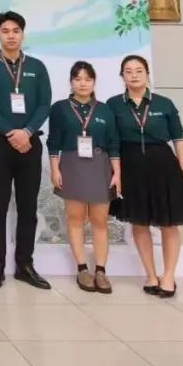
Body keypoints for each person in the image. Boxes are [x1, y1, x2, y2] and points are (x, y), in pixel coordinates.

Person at [108, 55, 183, 298]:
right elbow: (112, 142)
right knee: (139, 222)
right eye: (128, 71)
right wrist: (116, 173)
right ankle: (150, 274)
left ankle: (168, 276)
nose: (134, 75)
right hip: (131, 167)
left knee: (169, 222)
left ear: (147, 74)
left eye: (139, 70)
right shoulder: (113, 105)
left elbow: (178, 139)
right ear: (122, 76)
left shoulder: (164, 104)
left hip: (163, 166)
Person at [0, 10, 52, 290]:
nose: (11, 36)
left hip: (30, 143)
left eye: (16, 31)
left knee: (27, 207)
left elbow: (44, 103)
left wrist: (27, 132)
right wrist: (11, 132)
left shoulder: (36, 67)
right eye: (5, 31)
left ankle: (24, 265)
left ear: (22, 34)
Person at [47, 61, 121, 294]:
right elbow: (53, 142)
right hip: (71, 164)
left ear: (94, 82)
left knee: (100, 220)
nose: (83, 83)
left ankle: (100, 270)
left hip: (100, 166)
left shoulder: (105, 110)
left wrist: (117, 172)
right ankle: (82, 269)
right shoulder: (59, 108)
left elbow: (113, 143)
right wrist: (55, 169)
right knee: (75, 218)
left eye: (88, 79)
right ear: (71, 82)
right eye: (78, 79)